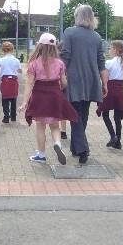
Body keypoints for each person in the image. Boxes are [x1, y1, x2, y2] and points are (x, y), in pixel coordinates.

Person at [60, 5, 108, 165]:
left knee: (75, 115)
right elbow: (101, 62)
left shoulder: (69, 32)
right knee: (83, 115)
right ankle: (76, 148)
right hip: (92, 80)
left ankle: (83, 149)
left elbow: (65, 56)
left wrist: (58, 74)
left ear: (77, 17)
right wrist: (104, 84)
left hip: (74, 80)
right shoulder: (96, 37)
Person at [19, 33, 78, 164]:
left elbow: (29, 84)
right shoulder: (60, 63)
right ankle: (57, 143)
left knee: (40, 126)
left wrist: (24, 102)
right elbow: (64, 83)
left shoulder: (33, 64)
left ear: (40, 46)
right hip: (55, 95)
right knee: (55, 125)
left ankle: (41, 155)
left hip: (39, 96)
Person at [96, 40, 123, 149]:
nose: (109, 50)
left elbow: (105, 78)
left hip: (110, 88)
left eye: (110, 48)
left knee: (105, 114)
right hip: (120, 89)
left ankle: (113, 136)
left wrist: (102, 88)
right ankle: (118, 141)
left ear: (115, 50)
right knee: (117, 116)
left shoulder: (109, 63)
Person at [0, 41, 22, 123]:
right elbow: (20, 70)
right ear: (12, 49)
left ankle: (6, 117)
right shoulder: (16, 60)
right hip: (14, 80)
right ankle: (13, 116)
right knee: (13, 99)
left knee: (5, 99)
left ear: (3, 50)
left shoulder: (0, 60)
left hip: (5, 80)